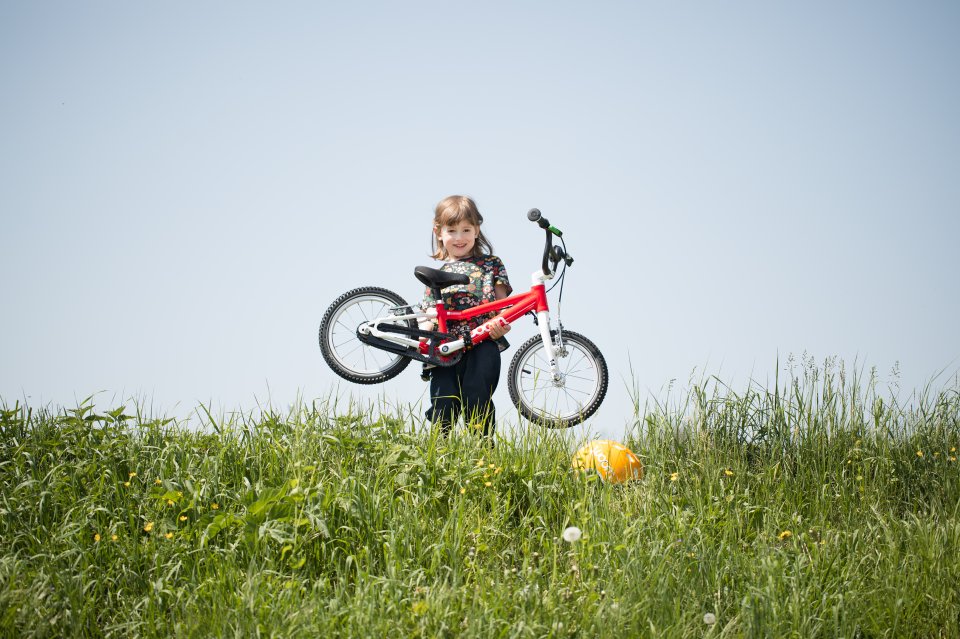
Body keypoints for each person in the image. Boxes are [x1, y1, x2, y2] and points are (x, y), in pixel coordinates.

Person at [419, 195, 512, 441]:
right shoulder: (437, 274)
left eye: (466, 230)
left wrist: (503, 325)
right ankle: (439, 454)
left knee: (478, 395)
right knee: (444, 400)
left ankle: (482, 452)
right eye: (452, 230)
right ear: (439, 232)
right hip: (446, 346)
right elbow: (429, 311)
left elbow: (504, 305)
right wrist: (422, 336)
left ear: (477, 230)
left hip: (483, 341)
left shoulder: (491, 264)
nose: (459, 238)